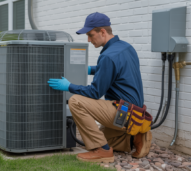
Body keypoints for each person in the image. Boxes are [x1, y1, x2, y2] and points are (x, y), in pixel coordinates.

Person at [47, 12, 152, 163]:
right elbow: (117, 68)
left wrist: (68, 86)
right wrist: (91, 69)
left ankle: (103, 151)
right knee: (103, 137)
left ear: (102, 32)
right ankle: (136, 136)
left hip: (123, 113)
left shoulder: (107, 56)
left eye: (90, 35)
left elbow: (95, 92)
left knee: (76, 101)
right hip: (135, 112)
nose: (89, 40)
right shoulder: (126, 48)